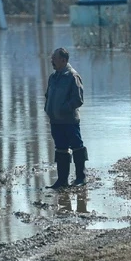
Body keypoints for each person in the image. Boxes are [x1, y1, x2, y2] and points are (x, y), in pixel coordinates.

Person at [44, 47, 87, 189]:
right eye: (52, 58)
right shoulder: (53, 77)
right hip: (56, 121)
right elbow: (47, 96)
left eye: (54, 58)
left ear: (63, 60)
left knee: (77, 147)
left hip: (69, 121)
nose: (52, 61)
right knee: (60, 149)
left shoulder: (72, 76)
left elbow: (78, 99)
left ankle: (81, 177)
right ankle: (62, 180)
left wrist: (63, 109)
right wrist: (48, 109)